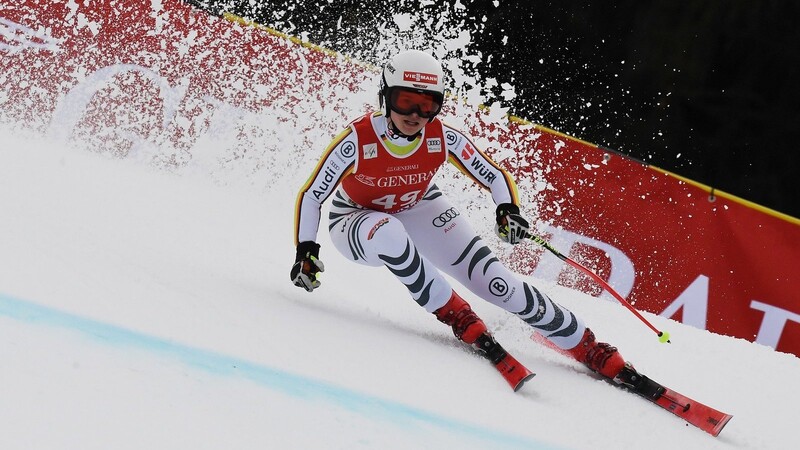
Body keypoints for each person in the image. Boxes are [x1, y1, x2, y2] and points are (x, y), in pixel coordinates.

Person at [290, 49, 626, 386]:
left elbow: (495, 176)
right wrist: (306, 250)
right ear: (386, 96)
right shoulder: (357, 140)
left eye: (428, 104)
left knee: (498, 283)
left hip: (418, 205)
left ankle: (585, 344)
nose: (415, 114)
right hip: (356, 218)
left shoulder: (442, 137)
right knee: (389, 232)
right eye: (405, 100)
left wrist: (507, 209)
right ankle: (455, 312)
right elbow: (312, 195)